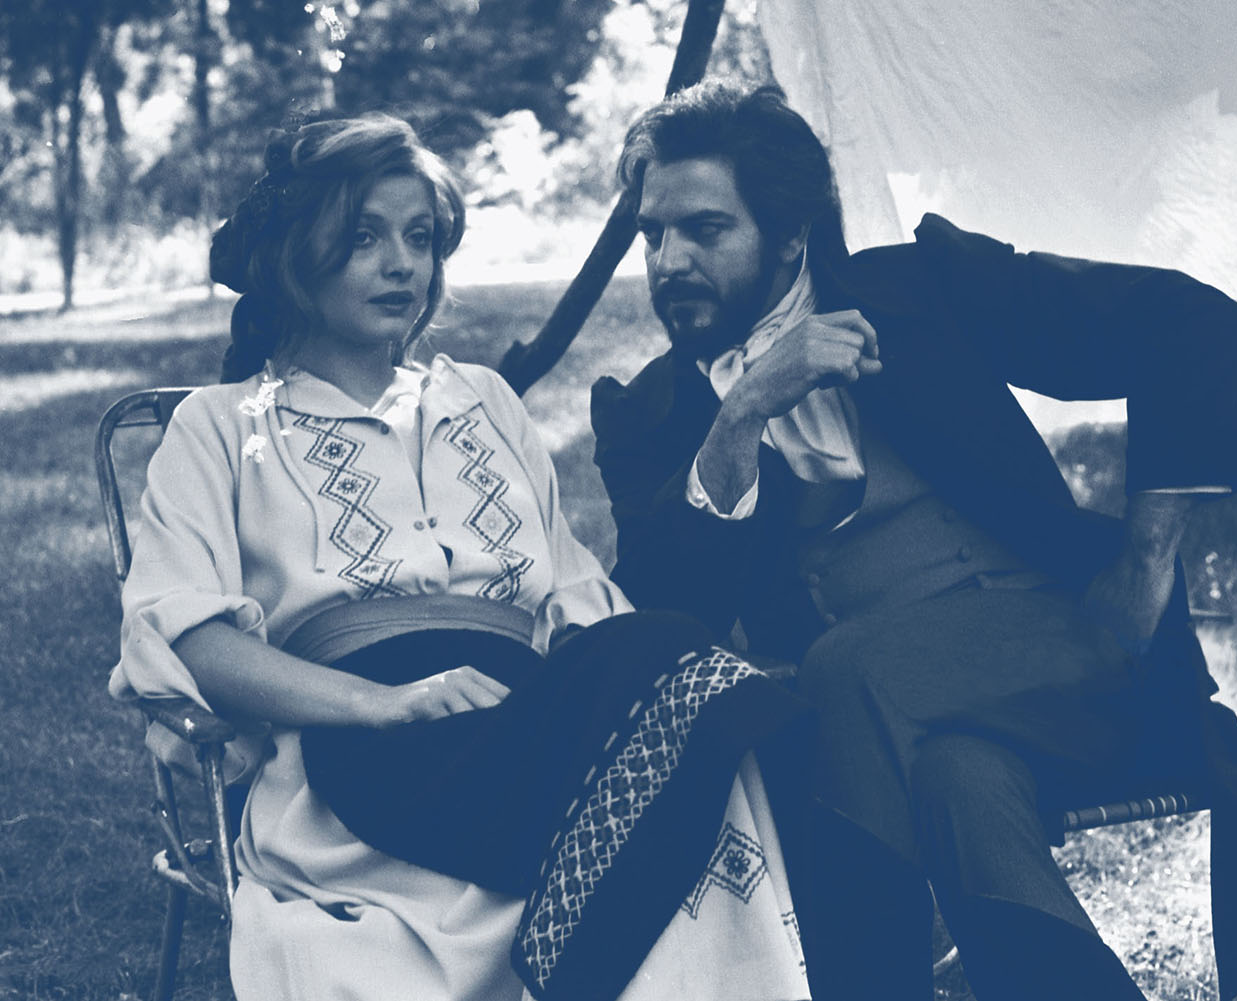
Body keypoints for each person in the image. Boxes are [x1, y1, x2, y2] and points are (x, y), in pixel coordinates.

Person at [590, 80, 1237, 1001]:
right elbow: (664, 614)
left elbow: (1186, 321)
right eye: (652, 235)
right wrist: (742, 414)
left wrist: (1146, 560)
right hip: (905, 728)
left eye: (704, 230)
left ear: (791, 234)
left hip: (1072, 654)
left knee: (843, 670)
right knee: (958, 783)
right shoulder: (647, 414)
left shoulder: (920, 289)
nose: (669, 261)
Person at [109, 113, 814, 1001]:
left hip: (520, 740)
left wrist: (601, 690)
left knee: (669, 666)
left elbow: (577, 602)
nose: (401, 264)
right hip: (364, 766)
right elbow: (191, 639)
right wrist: (384, 703)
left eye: (419, 237)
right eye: (364, 236)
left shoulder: (481, 399)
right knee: (689, 677)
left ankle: (592, 939)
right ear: (295, 254)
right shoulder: (218, 426)